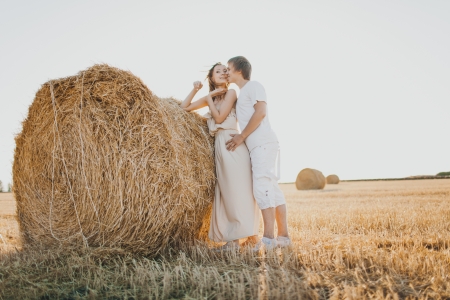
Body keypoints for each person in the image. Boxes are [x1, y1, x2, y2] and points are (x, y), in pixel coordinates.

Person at [180, 63, 260, 251]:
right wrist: (195, 89)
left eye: (226, 70)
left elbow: (219, 118)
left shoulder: (231, 92)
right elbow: (184, 107)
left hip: (231, 145)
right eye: (219, 71)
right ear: (212, 78)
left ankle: (236, 241)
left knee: (236, 191)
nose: (224, 72)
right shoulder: (211, 97)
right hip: (220, 146)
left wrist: (208, 98)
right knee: (228, 192)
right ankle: (246, 237)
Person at [225, 56, 291, 251]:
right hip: (258, 146)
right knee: (273, 189)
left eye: (228, 68)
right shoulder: (243, 93)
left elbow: (261, 112)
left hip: (262, 143)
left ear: (239, 70)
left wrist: (241, 137)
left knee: (262, 187)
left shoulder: (253, 86)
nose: (227, 72)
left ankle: (269, 239)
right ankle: (283, 237)